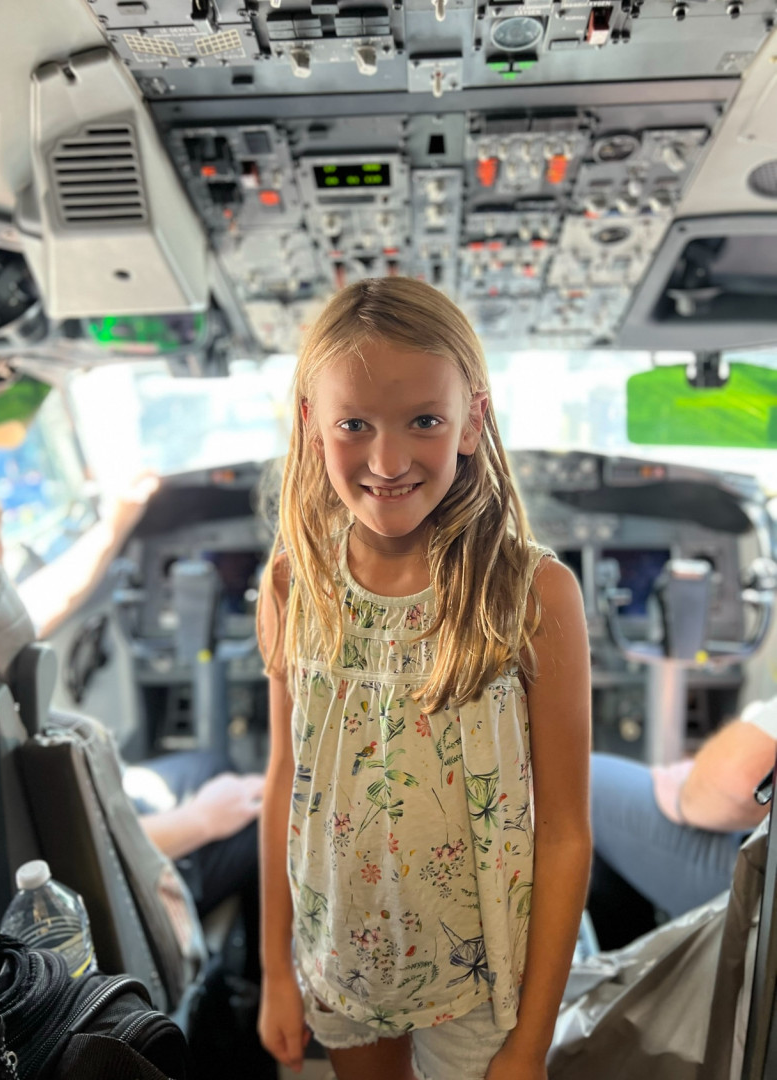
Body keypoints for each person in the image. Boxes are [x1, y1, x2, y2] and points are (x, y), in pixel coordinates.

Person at [256, 278, 592, 1080]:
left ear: (472, 421)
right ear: (310, 424)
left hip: (485, 981)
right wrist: (275, 972)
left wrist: (529, 1044)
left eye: (424, 422)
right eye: (353, 425)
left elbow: (564, 832)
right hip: (343, 954)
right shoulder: (291, 583)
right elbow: (285, 783)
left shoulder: (534, 594)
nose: (387, 461)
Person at [0, 449, 263, 936]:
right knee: (258, 815)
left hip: (82, 833)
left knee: (209, 764)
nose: (5, 540)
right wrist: (203, 818)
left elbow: (24, 602)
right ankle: (237, 975)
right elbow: (73, 859)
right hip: (93, 897)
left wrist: (116, 522)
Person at [588, 699, 776, 949]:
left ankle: (632, 966)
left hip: (757, 885)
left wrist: (685, 784)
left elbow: (735, 785)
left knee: (582, 784)